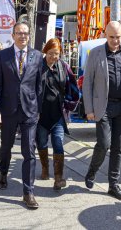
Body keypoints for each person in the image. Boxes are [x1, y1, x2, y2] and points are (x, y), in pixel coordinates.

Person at [83, 21, 121, 200]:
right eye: (112, 37)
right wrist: (89, 109)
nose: (115, 41)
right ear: (105, 34)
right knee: (104, 144)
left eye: (118, 37)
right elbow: (87, 84)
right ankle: (92, 171)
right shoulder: (95, 54)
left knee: (118, 147)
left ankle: (113, 185)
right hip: (103, 107)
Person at [0, 22, 43, 209]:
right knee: (6, 147)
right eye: (19, 33)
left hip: (30, 110)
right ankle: (3, 173)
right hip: (8, 109)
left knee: (29, 151)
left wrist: (38, 110)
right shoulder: (2, 55)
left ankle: (28, 192)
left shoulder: (37, 56)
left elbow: (39, 85)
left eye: (26, 33)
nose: (23, 36)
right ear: (12, 35)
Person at [37, 38, 79, 190]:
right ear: (45, 52)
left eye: (56, 54)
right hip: (40, 115)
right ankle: (44, 168)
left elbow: (73, 88)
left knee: (58, 144)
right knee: (41, 143)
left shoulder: (64, 66)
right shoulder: (37, 67)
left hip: (58, 115)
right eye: (50, 54)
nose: (53, 57)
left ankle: (58, 178)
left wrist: (68, 104)